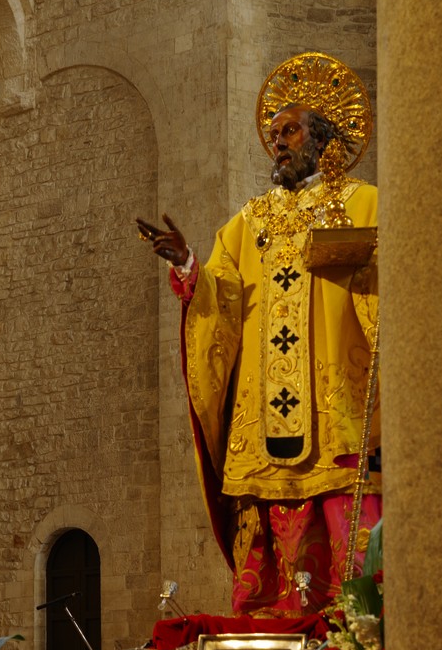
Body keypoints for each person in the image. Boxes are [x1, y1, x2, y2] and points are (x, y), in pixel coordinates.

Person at [137, 52, 381, 614]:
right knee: (269, 542)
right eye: (274, 136)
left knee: (348, 527)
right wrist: (189, 265)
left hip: (337, 402)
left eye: (289, 131)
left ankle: (360, 636)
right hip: (262, 405)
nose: (279, 144)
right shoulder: (248, 222)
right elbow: (221, 297)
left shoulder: (364, 202)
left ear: (321, 138)